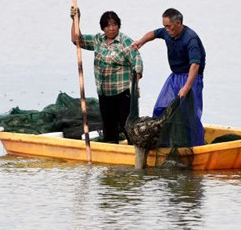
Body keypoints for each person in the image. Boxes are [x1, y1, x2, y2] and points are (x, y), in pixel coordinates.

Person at [134, 8, 206, 147]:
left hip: (191, 78)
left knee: (189, 115)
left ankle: (194, 145)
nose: (166, 29)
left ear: (178, 23)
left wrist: (186, 87)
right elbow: (153, 34)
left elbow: (195, 65)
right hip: (174, 77)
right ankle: (165, 144)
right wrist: (141, 42)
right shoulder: (167, 32)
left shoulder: (190, 38)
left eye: (168, 26)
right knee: (161, 109)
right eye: (164, 26)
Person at [71, 8, 143, 144]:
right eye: (108, 26)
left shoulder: (124, 41)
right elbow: (77, 40)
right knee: (109, 127)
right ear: (103, 28)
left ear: (118, 26)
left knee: (127, 125)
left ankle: (133, 150)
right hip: (104, 92)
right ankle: (112, 149)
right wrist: (76, 20)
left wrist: (137, 76)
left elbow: (136, 59)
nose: (111, 28)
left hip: (123, 92)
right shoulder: (98, 40)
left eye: (114, 25)